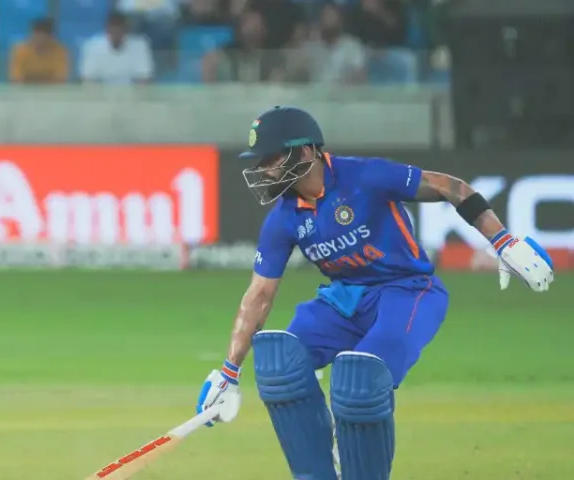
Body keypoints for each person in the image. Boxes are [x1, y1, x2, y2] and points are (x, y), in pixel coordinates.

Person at [194, 106, 554, 479]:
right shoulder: (284, 217)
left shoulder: (364, 175)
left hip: (409, 291)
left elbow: (452, 187)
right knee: (279, 362)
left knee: (360, 380)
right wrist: (228, 371)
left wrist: (503, 240)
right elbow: (259, 296)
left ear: (304, 152)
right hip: (346, 300)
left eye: (270, 159)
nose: (263, 170)